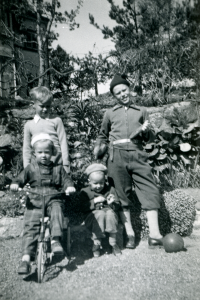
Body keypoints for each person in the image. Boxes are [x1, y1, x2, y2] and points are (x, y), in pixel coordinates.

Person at [94, 74, 163, 249]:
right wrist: (99, 149)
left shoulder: (141, 111)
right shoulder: (110, 113)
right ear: (114, 96)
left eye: (124, 90)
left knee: (150, 188)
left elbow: (150, 138)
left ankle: (155, 235)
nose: (122, 94)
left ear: (129, 89)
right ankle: (129, 234)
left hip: (137, 153)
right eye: (118, 93)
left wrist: (147, 130)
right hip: (116, 155)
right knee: (120, 194)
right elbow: (102, 136)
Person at [10, 133, 76, 275]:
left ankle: (55, 241)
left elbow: (67, 181)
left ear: (53, 152)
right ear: (34, 153)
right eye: (40, 152)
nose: (44, 155)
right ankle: (26, 259)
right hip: (35, 200)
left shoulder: (58, 168)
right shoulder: (30, 168)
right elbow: (20, 179)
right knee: (31, 225)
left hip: (53, 197)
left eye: (47, 152)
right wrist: (15, 184)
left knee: (57, 211)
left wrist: (69, 187)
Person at [23, 86, 70, 174]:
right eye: (42, 106)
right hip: (37, 164)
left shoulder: (56, 120)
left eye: (48, 106)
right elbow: (27, 148)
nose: (45, 109)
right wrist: (26, 166)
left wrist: (66, 164)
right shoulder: (29, 125)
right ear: (34, 105)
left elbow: (63, 142)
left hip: (56, 162)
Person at [79, 163, 122, 257]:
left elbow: (118, 207)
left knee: (110, 213)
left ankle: (113, 242)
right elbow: (81, 207)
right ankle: (97, 243)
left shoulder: (110, 189)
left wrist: (113, 203)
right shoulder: (85, 192)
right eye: (95, 183)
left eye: (101, 183)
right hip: (92, 219)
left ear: (105, 181)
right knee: (99, 214)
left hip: (109, 218)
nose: (98, 186)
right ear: (89, 181)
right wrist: (94, 201)